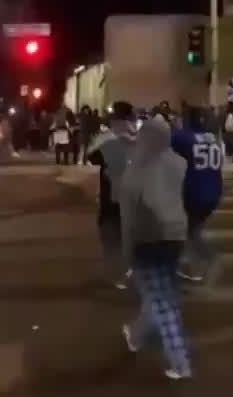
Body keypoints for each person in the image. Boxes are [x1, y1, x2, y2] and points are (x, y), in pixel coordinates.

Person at [119, 115, 192, 379]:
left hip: (148, 239)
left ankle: (180, 363)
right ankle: (135, 336)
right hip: (176, 236)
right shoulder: (179, 163)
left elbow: (128, 216)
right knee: (157, 293)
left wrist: (127, 253)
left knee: (163, 302)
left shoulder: (135, 169)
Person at [172, 106, 225, 285]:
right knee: (191, 229)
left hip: (194, 191)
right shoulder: (214, 139)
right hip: (213, 191)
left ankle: (207, 261)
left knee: (186, 230)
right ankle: (190, 265)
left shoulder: (183, 137)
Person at [88, 101, 136, 290]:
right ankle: (131, 271)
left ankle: (121, 274)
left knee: (110, 236)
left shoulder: (108, 139)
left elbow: (92, 157)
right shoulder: (138, 138)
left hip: (112, 197)